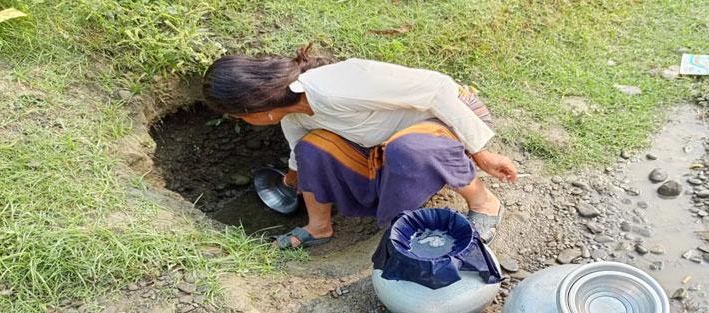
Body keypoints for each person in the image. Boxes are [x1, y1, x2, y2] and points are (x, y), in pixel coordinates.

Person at [203, 45, 517, 249]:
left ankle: (484, 203)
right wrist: (288, 182)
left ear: (259, 109)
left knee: (407, 150)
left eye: (239, 117)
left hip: (450, 117)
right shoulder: (294, 118)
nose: (243, 122)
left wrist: (481, 152)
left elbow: (438, 91)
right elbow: (301, 156)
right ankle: (319, 227)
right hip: (390, 145)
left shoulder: (334, 88)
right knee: (310, 149)